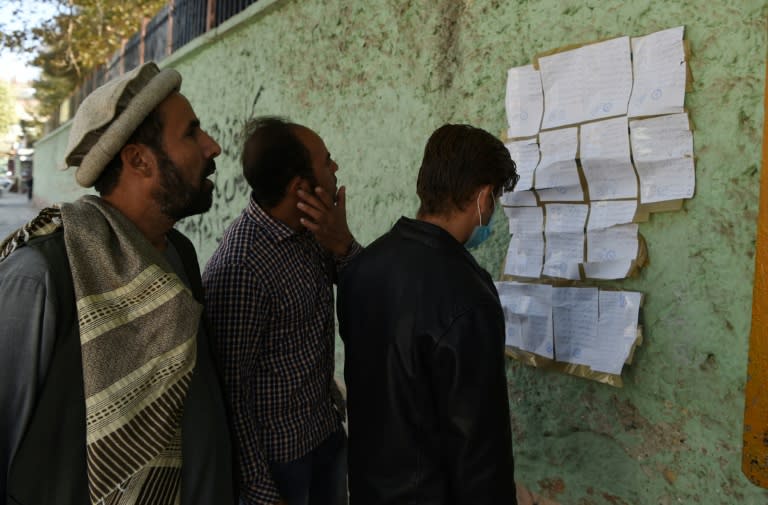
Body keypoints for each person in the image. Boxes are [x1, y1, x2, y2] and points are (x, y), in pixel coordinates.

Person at [0, 62, 236, 505]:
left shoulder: (177, 252)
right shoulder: (41, 275)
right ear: (139, 160)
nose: (213, 146)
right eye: (191, 133)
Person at [337, 123, 520, 505]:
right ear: (484, 198)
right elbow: (479, 444)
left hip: (370, 488)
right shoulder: (469, 293)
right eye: (498, 199)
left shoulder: (364, 267)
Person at [203, 116, 359, 505]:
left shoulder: (312, 229)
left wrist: (343, 244)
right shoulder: (240, 268)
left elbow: (365, 290)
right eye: (327, 161)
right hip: (282, 462)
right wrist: (260, 491)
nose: (335, 168)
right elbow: (230, 394)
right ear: (299, 187)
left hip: (325, 430)